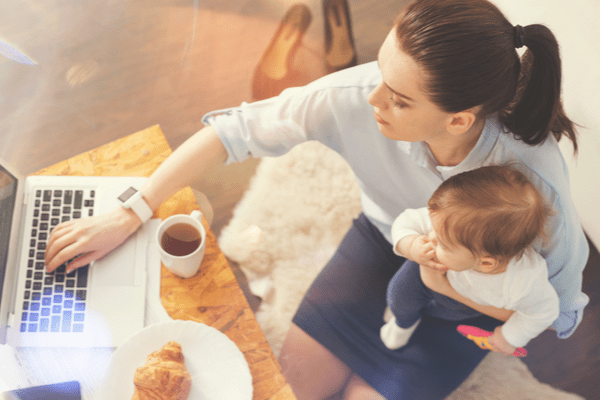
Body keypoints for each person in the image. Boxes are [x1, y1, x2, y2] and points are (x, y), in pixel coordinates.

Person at [45, 0, 589, 398]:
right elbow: (231, 132)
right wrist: (128, 211)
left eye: (397, 100)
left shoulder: (531, 180)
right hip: (384, 244)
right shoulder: (359, 96)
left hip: (476, 298)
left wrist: (445, 285)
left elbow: (556, 307)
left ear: (459, 119)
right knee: (292, 387)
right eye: (380, 72)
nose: (370, 99)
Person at [380, 165, 559, 357]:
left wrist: (509, 338)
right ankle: (403, 323)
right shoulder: (451, 220)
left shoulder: (522, 281)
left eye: (444, 244)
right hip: (425, 268)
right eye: (432, 229)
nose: (431, 237)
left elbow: (543, 312)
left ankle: (417, 314)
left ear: (485, 263)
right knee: (399, 295)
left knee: (442, 314)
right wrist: (412, 245)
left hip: (464, 301)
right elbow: (407, 220)